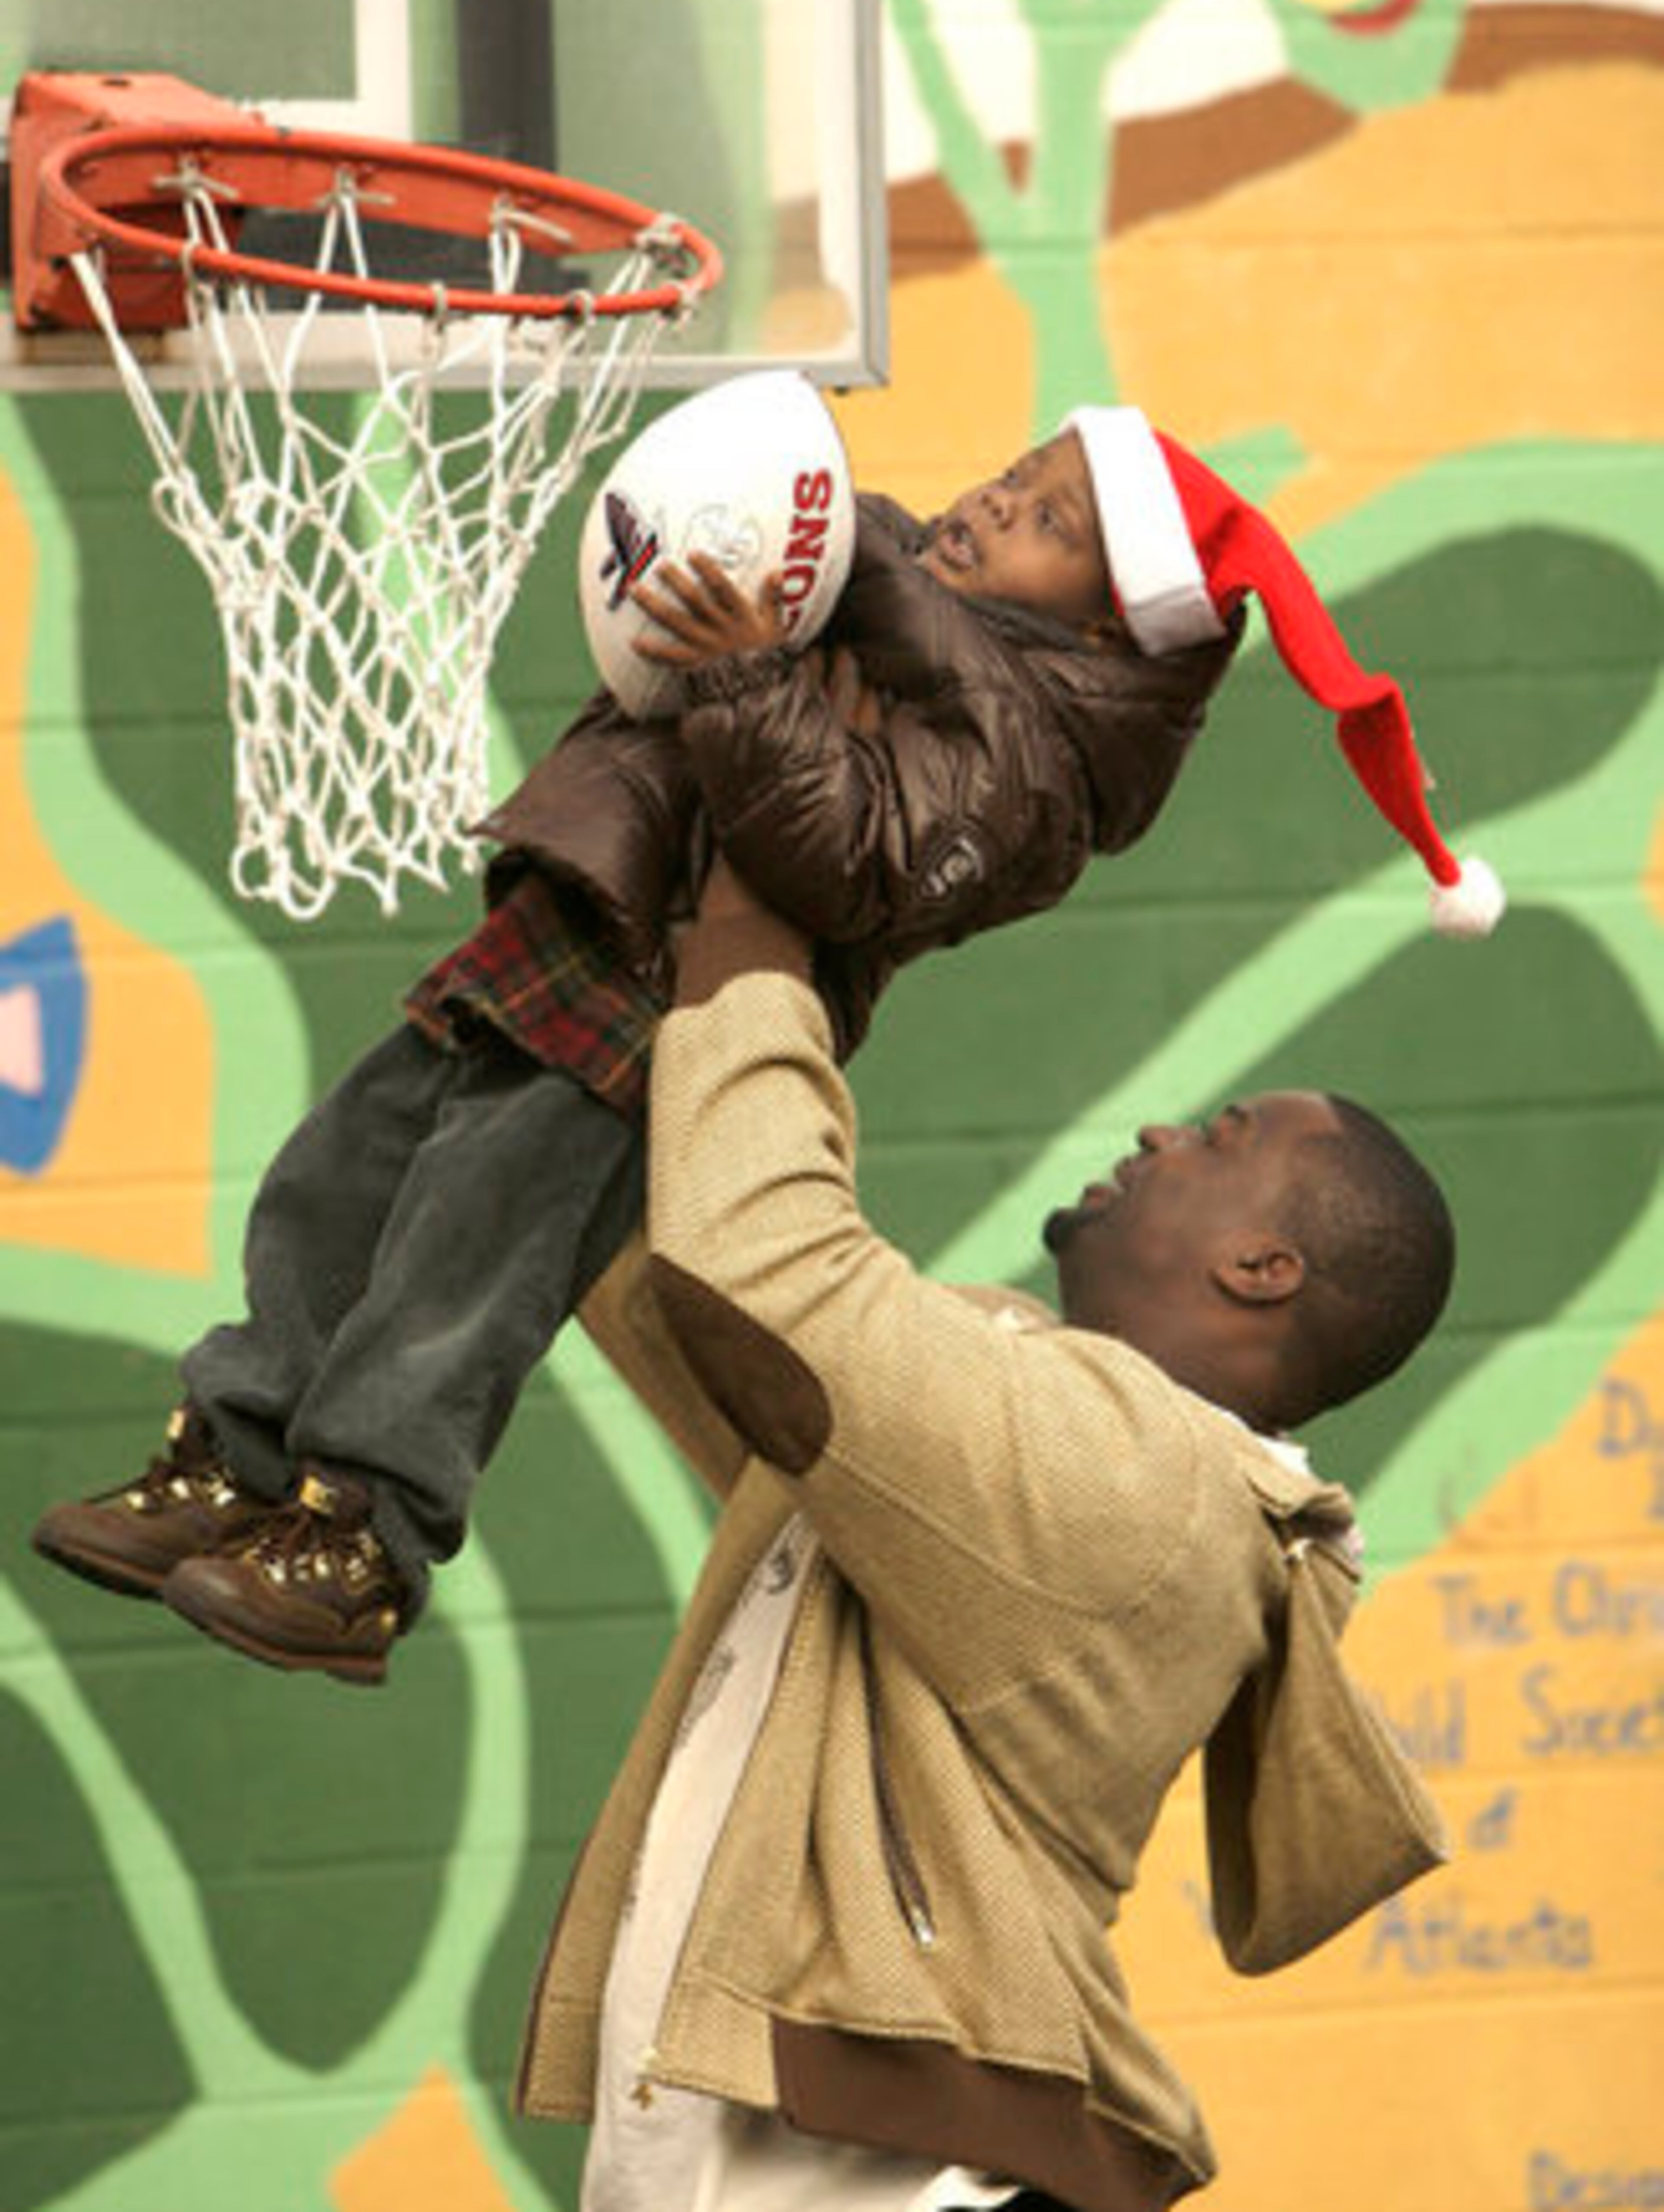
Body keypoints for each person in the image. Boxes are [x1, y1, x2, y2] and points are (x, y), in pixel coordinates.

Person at [31, 406, 1495, 1684]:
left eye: (1051, 520)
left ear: (1111, 631)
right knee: (339, 1175)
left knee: (469, 1256)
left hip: (662, 990)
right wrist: (759, 480)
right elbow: (786, 532)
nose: (997, 503)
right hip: (586, 903)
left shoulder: (1033, 774)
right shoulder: (875, 571)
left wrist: (745, 680)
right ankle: (233, 1447)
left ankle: (365, 1539)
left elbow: (852, 859)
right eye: (1015, 476)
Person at [520, 853, 1454, 2211]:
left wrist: (754, 925)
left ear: (1262, 1269)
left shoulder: (1146, 1486)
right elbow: (699, 1297)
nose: (1162, 1134)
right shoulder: (1032, 1432)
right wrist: (618, 972)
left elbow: (766, 1274)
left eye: (1221, 1137)